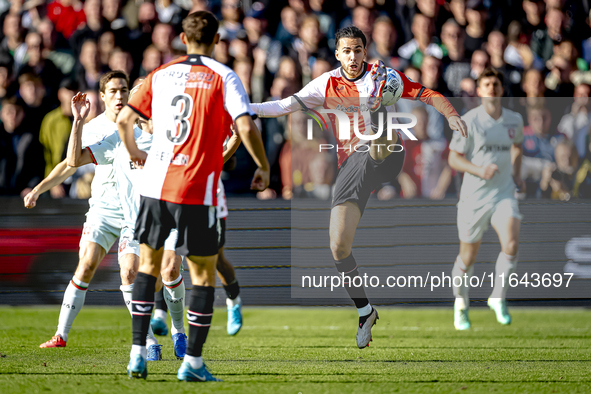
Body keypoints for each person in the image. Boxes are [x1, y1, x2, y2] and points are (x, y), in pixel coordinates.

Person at [250, 25, 467, 349]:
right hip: (353, 167)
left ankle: (376, 109)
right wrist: (246, 110)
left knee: (375, 143)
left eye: (358, 50)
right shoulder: (326, 84)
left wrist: (450, 115)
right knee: (338, 246)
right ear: (338, 55)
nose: (353, 56)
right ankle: (365, 311)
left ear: (366, 52)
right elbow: (283, 106)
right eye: (346, 51)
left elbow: (427, 94)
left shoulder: (384, 75)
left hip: (386, 153)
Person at [117, 11, 269, 382]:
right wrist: (263, 165)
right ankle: (194, 364)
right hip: (195, 188)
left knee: (148, 268)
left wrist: (134, 150)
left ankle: (137, 353)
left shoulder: (160, 74)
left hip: (155, 187)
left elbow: (123, 120)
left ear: (182, 40)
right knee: (202, 276)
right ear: (217, 40)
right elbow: (244, 124)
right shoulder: (223, 75)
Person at [25, 72, 162, 355]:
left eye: (124, 90)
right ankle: (60, 334)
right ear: (102, 96)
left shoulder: (141, 128)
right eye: (113, 91)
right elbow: (69, 163)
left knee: (130, 271)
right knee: (86, 264)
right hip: (102, 208)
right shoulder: (93, 127)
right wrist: (38, 189)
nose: (119, 96)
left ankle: (148, 340)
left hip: (133, 212)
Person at [448, 68, 524, 330]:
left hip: (503, 194)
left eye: (495, 84)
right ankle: (460, 305)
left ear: (502, 90)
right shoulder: (469, 121)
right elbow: (453, 157)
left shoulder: (514, 120)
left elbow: (517, 147)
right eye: (486, 84)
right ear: (479, 91)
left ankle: (497, 297)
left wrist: (516, 174)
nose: (491, 88)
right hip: (474, 198)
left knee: (511, 244)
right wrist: (479, 170)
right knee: (467, 257)